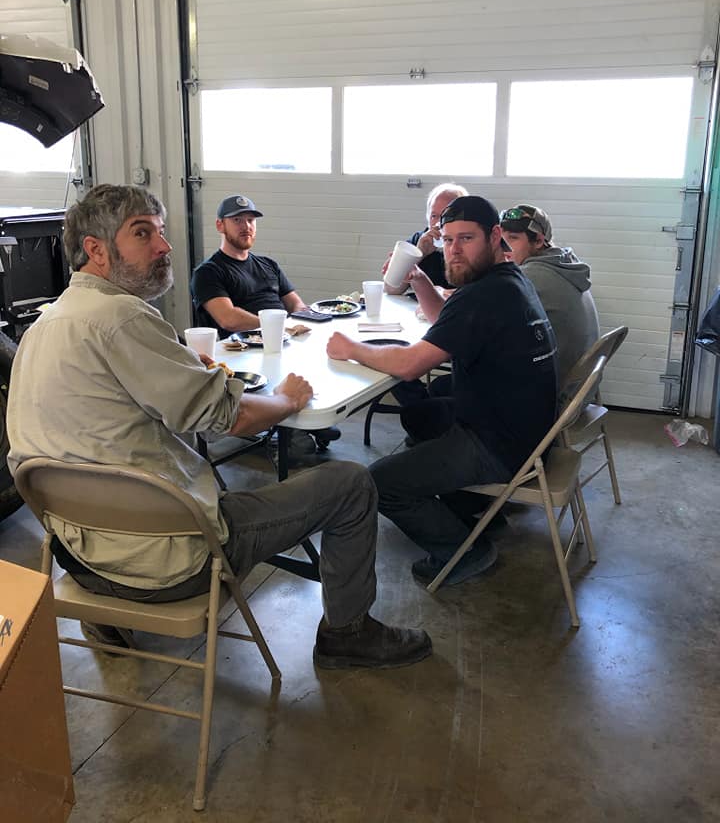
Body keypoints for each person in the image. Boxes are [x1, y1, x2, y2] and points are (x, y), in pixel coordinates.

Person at [7, 184, 431, 670]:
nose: (164, 246)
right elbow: (234, 419)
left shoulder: (44, 326)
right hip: (166, 564)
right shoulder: (122, 317)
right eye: (143, 234)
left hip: (80, 557)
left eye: (161, 232)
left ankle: (103, 616)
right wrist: (287, 399)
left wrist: (188, 371)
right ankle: (348, 634)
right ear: (95, 250)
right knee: (352, 483)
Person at [327, 196, 558, 587]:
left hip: (499, 447)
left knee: (377, 482)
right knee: (420, 417)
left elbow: (410, 365)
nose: (454, 250)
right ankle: (475, 511)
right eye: (448, 240)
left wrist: (351, 349)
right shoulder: (509, 280)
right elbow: (446, 325)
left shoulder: (484, 295)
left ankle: (464, 551)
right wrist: (419, 280)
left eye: (466, 238)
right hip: (526, 434)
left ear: (495, 236)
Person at [191, 194, 340, 456]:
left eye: (250, 220)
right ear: (220, 225)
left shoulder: (268, 265)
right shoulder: (208, 272)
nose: (246, 226)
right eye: (237, 220)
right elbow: (228, 318)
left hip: (282, 342)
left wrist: (309, 321)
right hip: (243, 354)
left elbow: (297, 305)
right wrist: (278, 326)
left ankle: (305, 416)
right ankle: (290, 426)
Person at [500, 204, 600, 388]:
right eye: (500, 239)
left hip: (552, 392)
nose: (503, 248)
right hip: (580, 388)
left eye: (513, 238)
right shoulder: (564, 264)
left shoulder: (530, 275)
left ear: (538, 240)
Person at [383, 183, 468, 295]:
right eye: (434, 216)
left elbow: (482, 290)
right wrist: (418, 254)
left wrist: (443, 293)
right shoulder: (419, 241)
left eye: (446, 216)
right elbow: (390, 289)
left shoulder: (470, 243)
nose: (439, 223)